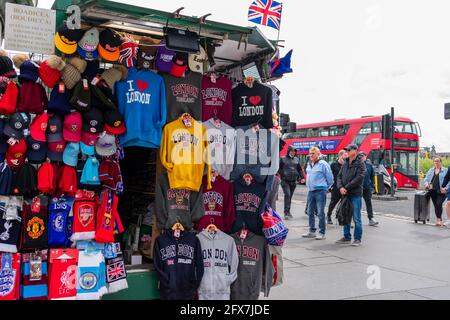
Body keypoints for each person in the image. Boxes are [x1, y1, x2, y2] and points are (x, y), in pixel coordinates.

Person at [335, 144, 366, 246]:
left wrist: (346, 187)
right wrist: (340, 187)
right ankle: (346, 236)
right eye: (346, 150)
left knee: (356, 217)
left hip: (355, 194)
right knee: (345, 214)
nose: (347, 151)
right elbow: (339, 176)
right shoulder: (345, 163)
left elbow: (359, 178)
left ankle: (357, 239)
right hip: (345, 193)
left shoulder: (360, 163)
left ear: (355, 151)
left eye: (349, 149)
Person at [302, 147, 334, 240]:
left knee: (320, 212)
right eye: (310, 153)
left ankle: (322, 232)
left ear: (318, 154)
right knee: (310, 211)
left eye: (313, 153)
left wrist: (326, 188)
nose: (311, 155)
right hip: (311, 191)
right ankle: (312, 231)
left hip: (320, 191)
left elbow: (330, 178)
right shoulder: (309, 163)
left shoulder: (323, 164)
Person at [279, 146, 305, 220]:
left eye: (294, 152)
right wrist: (283, 174)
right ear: (289, 151)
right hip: (285, 181)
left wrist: (302, 177)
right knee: (287, 194)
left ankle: (288, 211)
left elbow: (300, 169)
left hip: (293, 181)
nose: (293, 153)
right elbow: (278, 168)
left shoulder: (297, 159)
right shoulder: (283, 159)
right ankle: (286, 212)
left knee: (290, 197)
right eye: (292, 151)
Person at [424, 157, 448, 226]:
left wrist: (446, 188)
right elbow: (426, 179)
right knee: (436, 205)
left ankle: (439, 219)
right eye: (435, 161)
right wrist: (426, 184)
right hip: (432, 191)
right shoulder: (431, 170)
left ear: (440, 162)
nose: (436, 163)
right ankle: (438, 220)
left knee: (439, 204)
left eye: (437, 161)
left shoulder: (445, 170)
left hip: (442, 191)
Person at [327, 149, 348, 224]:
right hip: (335, 187)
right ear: (340, 155)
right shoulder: (333, 165)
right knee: (333, 202)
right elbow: (330, 176)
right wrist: (331, 186)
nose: (346, 157)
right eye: (345, 155)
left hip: (344, 187)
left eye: (347, 155)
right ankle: (328, 216)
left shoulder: (347, 165)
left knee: (344, 204)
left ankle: (341, 218)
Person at [360, 152, 379, 227]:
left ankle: (371, 219)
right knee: (357, 204)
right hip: (358, 188)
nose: (362, 157)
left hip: (367, 188)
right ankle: (353, 218)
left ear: (365, 156)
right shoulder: (356, 164)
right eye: (361, 156)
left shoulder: (369, 165)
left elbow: (372, 176)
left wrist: (371, 186)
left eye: (363, 156)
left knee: (368, 203)